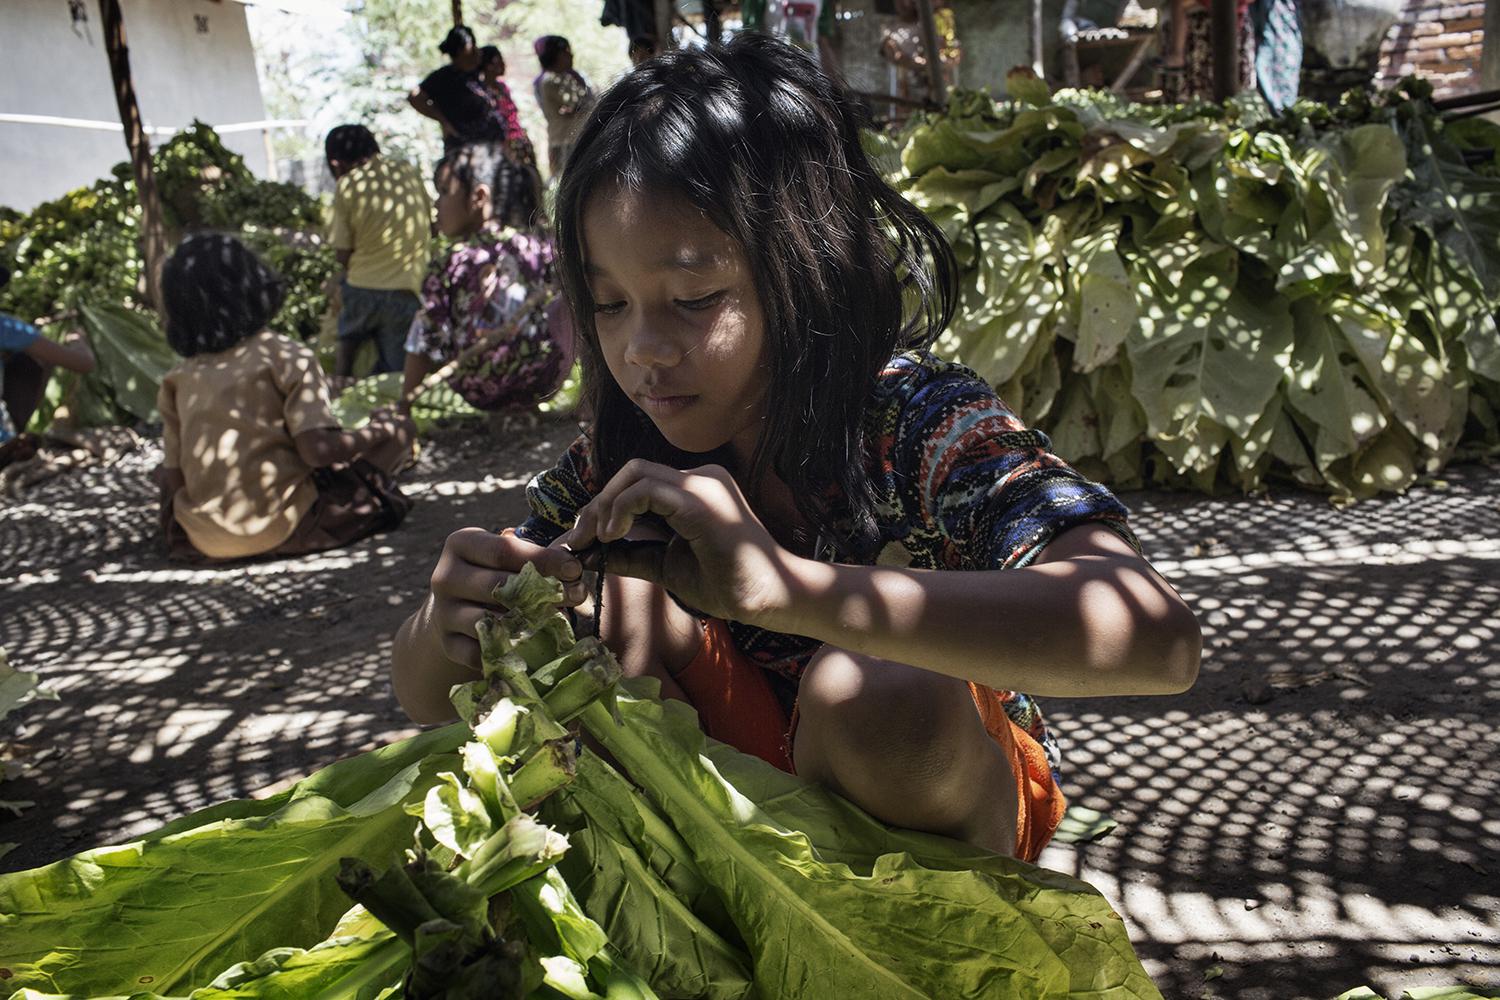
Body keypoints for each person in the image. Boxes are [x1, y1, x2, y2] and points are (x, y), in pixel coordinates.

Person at [391, 35, 1200, 862]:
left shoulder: (914, 422)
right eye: (608, 305)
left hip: (936, 816)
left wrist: (790, 592)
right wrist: (446, 625)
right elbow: (422, 693)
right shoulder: (619, 458)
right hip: (736, 843)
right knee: (609, 612)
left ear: (807, 267)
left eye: (694, 299)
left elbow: (1158, 639)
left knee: (874, 691)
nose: (641, 349)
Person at [156, 234, 415, 563]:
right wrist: (379, 429)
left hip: (205, 539)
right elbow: (317, 451)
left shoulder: (178, 378)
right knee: (401, 430)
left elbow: (174, 477)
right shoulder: (284, 355)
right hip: (291, 525)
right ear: (254, 288)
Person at [398, 143, 570, 415]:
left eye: (443, 192)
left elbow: (426, 338)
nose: (436, 205)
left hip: (479, 390)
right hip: (544, 382)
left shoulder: (449, 260)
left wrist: (404, 403)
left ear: (479, 197)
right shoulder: (542, 245)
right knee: (572, 301)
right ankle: (590, 402)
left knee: (426, 320)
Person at [325, 125, 432, 378]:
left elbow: (342, 255)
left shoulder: (348, 184)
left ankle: (339, 387)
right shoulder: (408, 172)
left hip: (362, 290)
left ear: (337, 164)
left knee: (347, 348)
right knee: (396, 372)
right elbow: (431, 225)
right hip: (408, 290)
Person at [0, 265, 96, 468]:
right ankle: (11, 439)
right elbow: (84, 364)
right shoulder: (6, 327)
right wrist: (78, 341)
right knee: (30, 361)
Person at [409, 25, 506, 153]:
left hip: (491, 146)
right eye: (473, 45)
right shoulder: (444, 76)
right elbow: (415, 97)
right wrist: (443, 120)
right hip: (464, 148)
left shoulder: (475, 73)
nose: (477, 50)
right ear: (463, 49)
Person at [477, 44, 546, 217]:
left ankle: (536, 215)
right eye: (496, 61)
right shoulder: (481, 92)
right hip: (504, 146)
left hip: (520, 142)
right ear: (486, 65)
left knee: (531, 180)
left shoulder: (502, 87)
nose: (502, 64)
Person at [532, 35, 595, 177]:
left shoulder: (572, 77)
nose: (571, 55)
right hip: (565, 141)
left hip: (576, 138)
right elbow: (577, 106)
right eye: (566, 52)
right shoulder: (551, 81)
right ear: (556, 55)